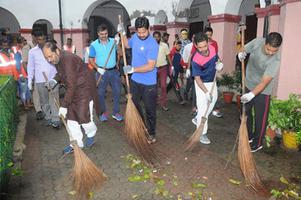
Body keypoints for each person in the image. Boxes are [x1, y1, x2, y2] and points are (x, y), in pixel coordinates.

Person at [42, 41, 98, 155]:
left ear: (56, 51)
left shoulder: (68, 60)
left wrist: (64, 105)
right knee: (71, 119)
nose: (49, 60)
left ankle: (91, 133)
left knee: (83, 117)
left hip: (83, 89)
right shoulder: (58, 58)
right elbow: (62, 74)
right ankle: (76, 144)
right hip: (73, 90)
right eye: (46, 57)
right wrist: (54, 80)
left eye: (50, 56)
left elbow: (71, 85)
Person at [238, 32, 283, 152]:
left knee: (260, 118)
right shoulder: (258, 42)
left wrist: (251, 94)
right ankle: (249, 136)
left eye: (274, 50)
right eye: (269, 49)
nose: (271, 53)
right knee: (244, 113)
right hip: (248, 83)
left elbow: (264, 83)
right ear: (265, 43)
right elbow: (243, 48)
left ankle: (258, 143)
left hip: (263, 91)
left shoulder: (276, 59)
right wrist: (241, 53)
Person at [119, 16, 159, 143]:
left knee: (150, 109)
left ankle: (151, 133)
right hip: (136, 80)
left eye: (144, 32)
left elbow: (150, 66)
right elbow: (126, 44)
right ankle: (142, 127)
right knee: (134, 105)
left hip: (149, 83)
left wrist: (132, 70)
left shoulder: (152, 44)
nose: (141, 35)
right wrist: (123, 33)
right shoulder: (135, 37)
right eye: (139, 32)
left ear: (149, 29)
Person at [191, 32, 223, 144]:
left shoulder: (213, 48)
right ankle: (201, 133)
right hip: (201, 84)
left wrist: (219, 65)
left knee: (213, 101)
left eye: (205, 46)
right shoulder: (195, 59)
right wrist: (205, 92)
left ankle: (197, 118)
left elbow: (217, 59)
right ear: (195, 46)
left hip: (212, 81)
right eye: (200, 47)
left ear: (208, 42)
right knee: (203, 108)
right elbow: (197, 79)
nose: (203, 49)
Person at [89, 24, 123, 122]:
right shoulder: (94, 45)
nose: (104, 36)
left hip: (113, 71)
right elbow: (91, 60)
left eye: (106, 33)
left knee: (117, 92)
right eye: (102, 34)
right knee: (100, 93)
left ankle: (116, 112)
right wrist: (97, 69)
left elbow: (120, 53)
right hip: (101, 72)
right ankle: (103, 112)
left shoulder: (113, 41)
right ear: (98, 34)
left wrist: (118, 44)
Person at [27, 30, 60, 128]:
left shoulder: (52, 48)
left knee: (54, 99)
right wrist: (30, 80)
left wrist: (57, 77)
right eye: (39, 39)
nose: (41, 42)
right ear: (35, 40)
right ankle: (48, 118)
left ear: (46, 39)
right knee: (44, 101)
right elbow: (30, 67)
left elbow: (58, 61)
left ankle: (56, 119)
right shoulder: (32, 52)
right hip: (40, 80)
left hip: (53, 78)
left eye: (43, 39)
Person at [204, 26, 223, 118]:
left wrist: (219, 61)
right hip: (203, 68)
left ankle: (215, 108)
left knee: (214, 89)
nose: (209, 36)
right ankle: (198, 108)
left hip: (212, 68)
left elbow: (215, 54)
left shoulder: (214, 43)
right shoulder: (201, 43)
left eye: (210, 35)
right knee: (203, 90)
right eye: (207, 35)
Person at [153, 31, 172, 111]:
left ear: (160, 37)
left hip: (163, 68)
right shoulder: (150, 45)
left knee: (163, 86)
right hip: (153, 69)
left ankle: (163, 103)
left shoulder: (164, 45)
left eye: (158, 36)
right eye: (155, 36)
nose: (156, 38)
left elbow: (168, 56)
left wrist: (171, 66)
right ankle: (155, 100)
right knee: (154, 86)